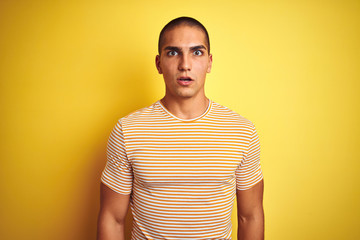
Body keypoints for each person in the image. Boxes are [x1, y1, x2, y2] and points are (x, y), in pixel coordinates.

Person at [97, 16, 264, 240]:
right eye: (173, 52)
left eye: (196, 52)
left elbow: (251, 216)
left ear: (209, 62)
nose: (185, 64)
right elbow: (112, 218)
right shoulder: (128, 131)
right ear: (158, 63)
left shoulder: (241, 131)